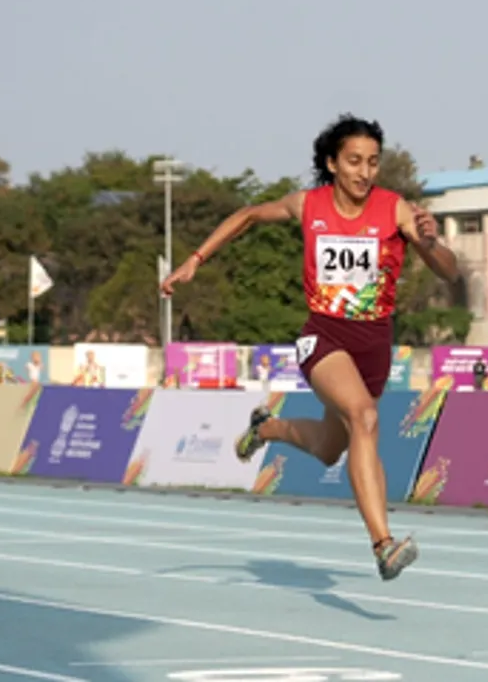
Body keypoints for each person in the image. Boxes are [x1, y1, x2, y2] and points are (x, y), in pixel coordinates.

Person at [160, 113, 460, 579]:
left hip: (375, 341)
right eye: (355, 161)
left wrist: (428, 243)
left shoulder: (396, 209)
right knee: (365, 417)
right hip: (324, 335)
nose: (365, 172)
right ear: (332, 163)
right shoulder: (309, 205)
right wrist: (195, 260)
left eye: (373, 163)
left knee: (329, 448)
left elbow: (449, 271)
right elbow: (247, 216)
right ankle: (383, 545)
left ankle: (266, 428)